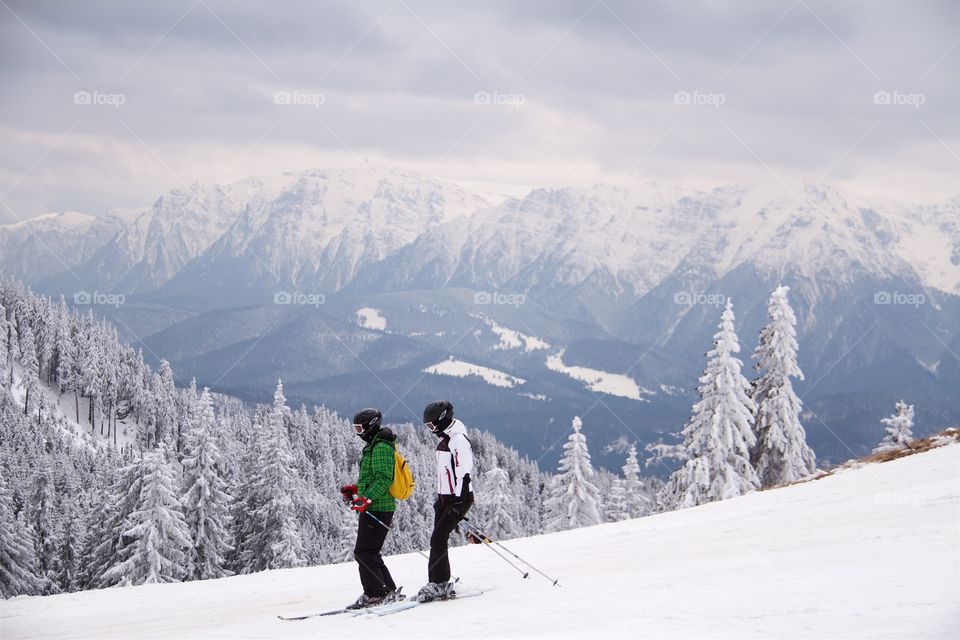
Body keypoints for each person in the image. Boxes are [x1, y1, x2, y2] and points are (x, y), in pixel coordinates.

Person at [340, 408, 404, 609]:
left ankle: (375, 594)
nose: (358, 433)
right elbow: (371, 477)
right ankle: (387, 591)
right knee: (369, 552)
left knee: (364, 552)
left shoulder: (381, 447)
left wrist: (366, 499)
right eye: (355, 428)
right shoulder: (373, 446)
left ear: (371, 426)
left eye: (359, 428)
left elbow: (383, 479)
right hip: (374, 506)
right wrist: (355, 489)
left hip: (379, 507)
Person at [416, 400, 475, 602]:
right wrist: (440, 499)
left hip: (458, 498)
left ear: (442, 419)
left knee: (438, 538)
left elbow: (464, 473)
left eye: (431, 425)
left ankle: (439, 583)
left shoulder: (458, 440)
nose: (430, 429)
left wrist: (458, 501)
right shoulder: (446, 439)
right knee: (437, 539)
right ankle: (436, 582)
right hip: (444, 498)